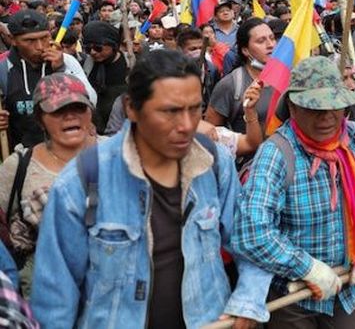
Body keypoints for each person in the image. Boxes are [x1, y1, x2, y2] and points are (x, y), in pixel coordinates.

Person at [30, 49, 271, 328]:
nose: (186, 125)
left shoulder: (214, 164)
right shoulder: (83, 180)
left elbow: (250, 242)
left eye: (194, 109)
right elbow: (55, 297)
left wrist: (248, 299)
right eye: (170, 111)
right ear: (132, 108)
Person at [233, 56, 355, 328]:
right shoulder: (277, 155)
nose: (327, 117)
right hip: (294, 300)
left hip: (348, 290)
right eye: (315, 108)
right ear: (293, 107)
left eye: (334, 106)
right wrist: (306, 267)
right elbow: (252, 232)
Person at [0, 74, 97, 295]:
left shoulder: (117, 156)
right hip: (45, 295)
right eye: (58, 110)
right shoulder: (17, 167)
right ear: (39, 119)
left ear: (90, 112)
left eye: (78, 108)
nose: (70, 116)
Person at [0, 10, 96, 150]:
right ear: (13, 40)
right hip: (24, 158)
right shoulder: (3, 70)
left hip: (68, 154)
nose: (39, 46)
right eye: (29, 40)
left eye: (44, 38)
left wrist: (61, 70)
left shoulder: (67, 61)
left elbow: (91, 101)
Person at [205, 18, 275, 133]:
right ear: (245, 50)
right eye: (261, 41)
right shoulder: (230, 84)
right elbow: (210, 132)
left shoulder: (286, 77)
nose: (270, 45)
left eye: (272, 38)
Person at [82, 21, 128, 134]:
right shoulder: (86, 65)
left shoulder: (129, 65)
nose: (92, 52)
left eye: (98, 48)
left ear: (113, 46)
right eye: (88, 49)